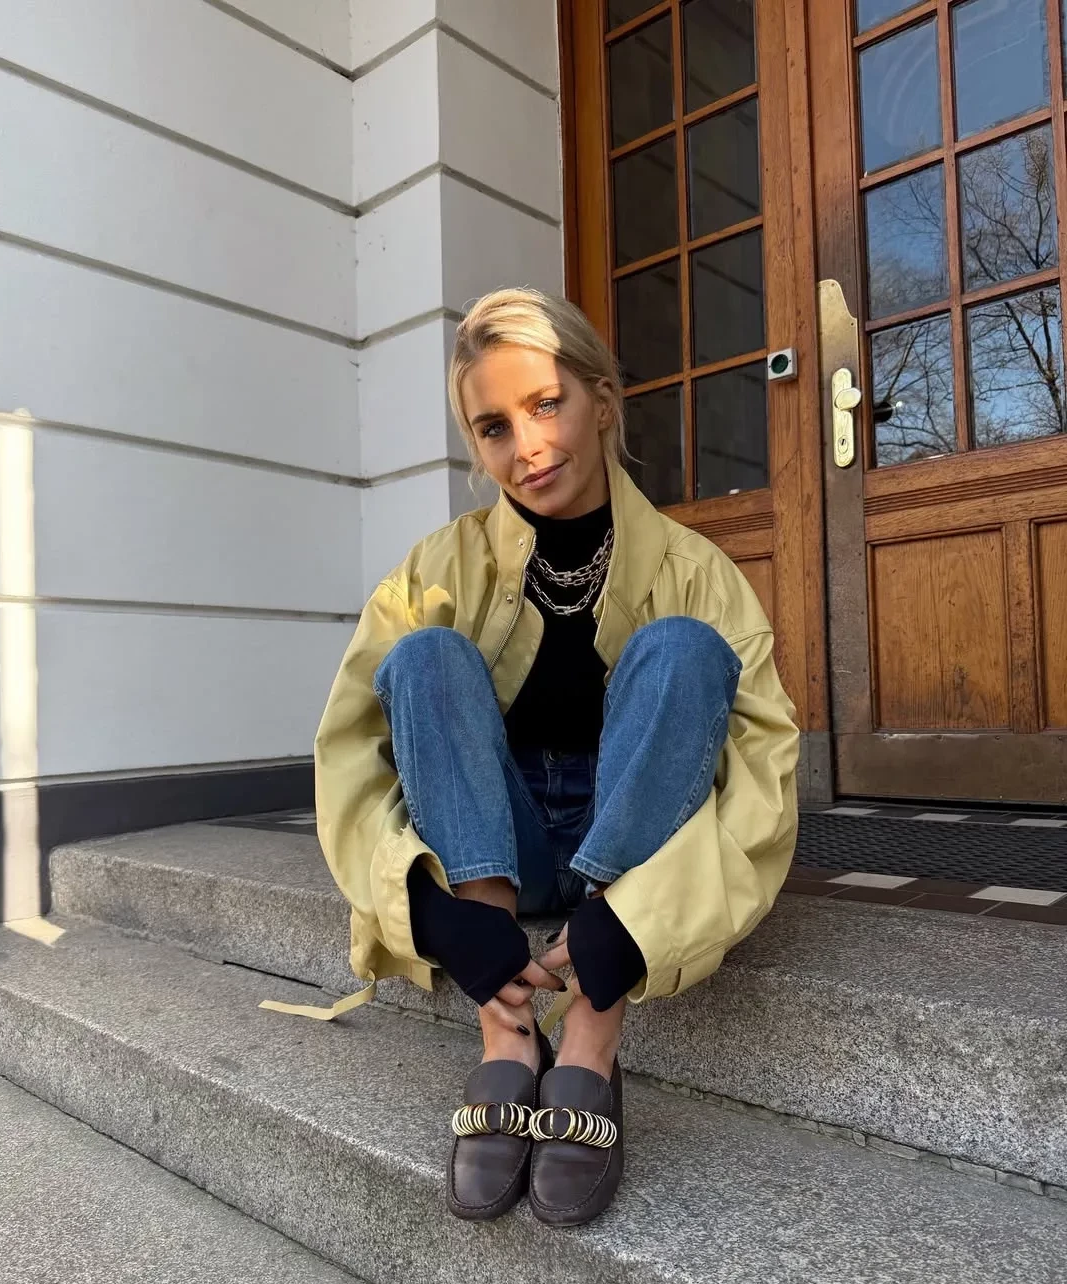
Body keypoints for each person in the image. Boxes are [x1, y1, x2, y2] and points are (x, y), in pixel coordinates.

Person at [267, 287, 800, 1228]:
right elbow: (350, 748)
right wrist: (424, 908)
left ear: (603, 399)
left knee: (684, 650)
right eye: (494, 427)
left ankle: (591, 1035)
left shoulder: (697, 572)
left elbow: (763, 774)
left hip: (628, 837)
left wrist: (634, 926)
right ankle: (506, 1031)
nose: (528, 446)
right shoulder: (437, 569)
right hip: (496, 835)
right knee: (422, 656)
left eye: (547, 404)